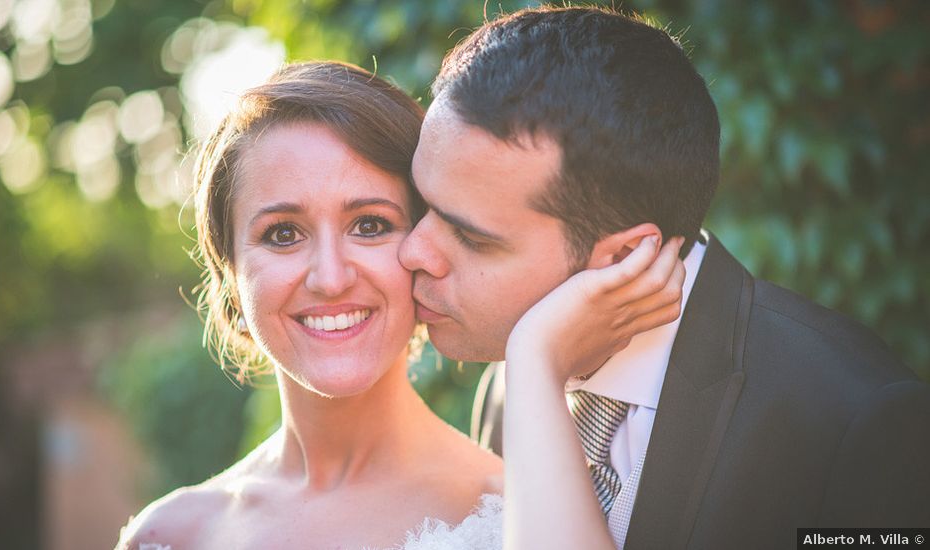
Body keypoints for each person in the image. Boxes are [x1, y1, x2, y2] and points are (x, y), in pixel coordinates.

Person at [397, 6, 930, 549]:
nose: (413, 251)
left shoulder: (855, 421)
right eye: (423, 204)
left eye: (473, 238)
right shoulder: (517, 375)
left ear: (623, 256)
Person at [115, 60, 684, 550]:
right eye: (283, 234)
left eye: (370, 225)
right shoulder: (170, 533)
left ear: (424, 246)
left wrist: (535, 352)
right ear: (229, 276)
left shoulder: (520, 517)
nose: (331, 278)